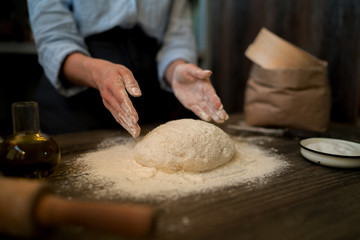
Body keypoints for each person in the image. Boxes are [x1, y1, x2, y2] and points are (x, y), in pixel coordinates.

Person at [27, 0, 228, 138]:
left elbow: (176, 36)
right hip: (76, 100)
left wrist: (176, 69)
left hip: (149, 97)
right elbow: (54, 40)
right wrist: (98, 74)